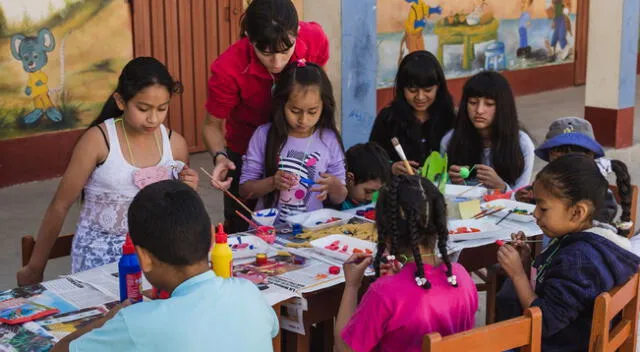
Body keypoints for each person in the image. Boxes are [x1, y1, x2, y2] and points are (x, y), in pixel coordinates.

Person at [17, 57, 198, 285]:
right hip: (99, 259)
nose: (153, 119)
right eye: (143, 109)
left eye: (162, 109)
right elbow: (60, 205)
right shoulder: (98, 141)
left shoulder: (175, 145)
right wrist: (35, 267)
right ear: (121, 101)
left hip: (157, 259)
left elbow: (179, 212)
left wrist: (187, 191)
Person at [52, 180, 279, 352]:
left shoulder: (137, 323)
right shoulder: (248, 292)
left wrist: (106, 320)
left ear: (143, 257)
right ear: (212, 237)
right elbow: (272, 329)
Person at [202, 0, 329, 232]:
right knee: (244, 227)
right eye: (266, 53)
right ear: (249, 38)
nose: (277, 63)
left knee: (308, 224)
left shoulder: (315, 39)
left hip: (302, 146)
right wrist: (220, 157)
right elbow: (212, 125)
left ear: (297, 33)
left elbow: (318, 92)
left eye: (286, 50)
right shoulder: (228, 68)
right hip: (248, 151)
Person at [497, 154, 639, 351]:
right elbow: (558, 287)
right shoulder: (590, 241)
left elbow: (544, 323)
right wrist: (526, 262)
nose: (535, 213)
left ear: (577, 212)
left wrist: (518, 275)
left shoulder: (579, 260)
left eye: (543, 208)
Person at [335, 175, 478, 352]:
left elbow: (344, 348)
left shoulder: (384, 293)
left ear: (385, 232)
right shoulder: (461, 276)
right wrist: (399, 279)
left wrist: (351, 286)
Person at [239, 61, 347, 221]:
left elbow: (340, 197)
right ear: (281, 104)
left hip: (310, 231)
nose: (303, 120)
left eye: (312, 111)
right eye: (295, 111)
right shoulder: (264, 135)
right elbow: (244, 190)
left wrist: (334, 186)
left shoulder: (328, 139)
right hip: (268, 232)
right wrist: (272, 182)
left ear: (324, 106)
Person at [442, 71, 535, 191]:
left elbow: (522, 200)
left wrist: (501, 187)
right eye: (473, 103)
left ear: (503, 107)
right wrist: (452, 182)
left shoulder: (522, 144)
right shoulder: (450, 140)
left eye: (489, 104)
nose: (479, 110)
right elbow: (442, 191)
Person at [515, 116, 617, 224]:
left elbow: (604, 216)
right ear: (550, 158)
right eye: (558, 156)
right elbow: (538, 203)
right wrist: (528, 198)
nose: (566, 163)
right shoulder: (546, 181)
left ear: (590, 157)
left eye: (575, 156)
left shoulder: (596, 188)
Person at [370, 50, 456, 176]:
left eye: (428, 90)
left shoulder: (449, 118)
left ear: (439, 87)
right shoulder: (388, 119)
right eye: (412, 90)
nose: (420, 97)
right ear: (402, 89)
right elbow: (371, 160)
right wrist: (391, 167)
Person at [340, 142, 392, 210]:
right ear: (349, 179)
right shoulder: (334, 204)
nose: (370, 198)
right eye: (368, 192)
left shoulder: (368, 200)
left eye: (378, 191)